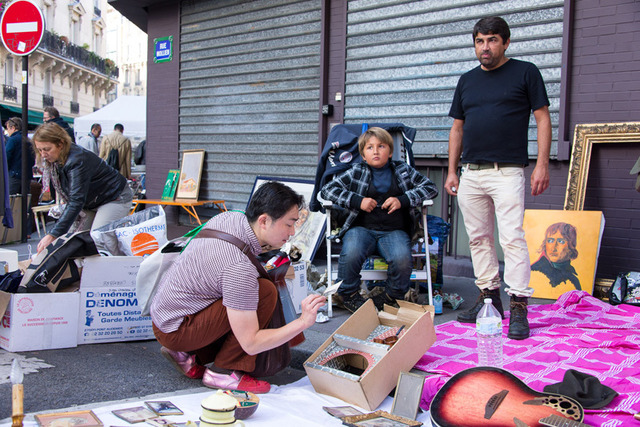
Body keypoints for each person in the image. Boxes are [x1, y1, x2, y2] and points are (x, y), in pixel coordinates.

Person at [150, 181, 326, 393]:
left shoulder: (229, 217)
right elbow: (250, 342)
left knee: (255, 292)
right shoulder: (238, 269)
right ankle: (223, 372)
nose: (292, 232)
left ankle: (189, 355)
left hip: (166, 316)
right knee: (264, 293)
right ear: (263, 220)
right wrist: (303, 321)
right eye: (289, 224)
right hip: (177, 328)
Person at [444, 16, 552, 340]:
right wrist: (451, 170)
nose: (485, 47)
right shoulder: (466, 80)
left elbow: (543, 119)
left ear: (505, 42)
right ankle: (489, 299)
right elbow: (457, 128)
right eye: (479, 40)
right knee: (478, 238)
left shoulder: (526, 72)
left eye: (492, 40)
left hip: (507, 171)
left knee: (512, 238)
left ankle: (519, 304)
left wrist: (542, 164)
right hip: (471, 172)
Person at [320, 127, 438, 313]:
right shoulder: (356, 171)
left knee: (401, 258)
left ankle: (391, 296)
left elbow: (430, 187)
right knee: (351, 252)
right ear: (363, 155)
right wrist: (357, 201)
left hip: (394, 231)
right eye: (369, 148)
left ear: (390, 152)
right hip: (361, 229)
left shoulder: (403, 170)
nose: (375, 151)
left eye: (381, 146)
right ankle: (348, 294)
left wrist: (403, 200)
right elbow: (327, 190)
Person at [32, 122, 133, 254]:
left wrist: (53, 235)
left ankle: (122, 269)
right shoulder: (59, 159)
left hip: (115, 197)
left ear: (60, 144)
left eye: (46, 149)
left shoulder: (77, 160)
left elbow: (76, 200)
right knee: (75, 240)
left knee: (99, 241)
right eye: (39, 150)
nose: (43, 154)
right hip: (91, 200)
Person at [531, 222, 581, 292]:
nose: (553, 248)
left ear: (571, 246)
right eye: (550, 241)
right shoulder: (535, 272)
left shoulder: (573, 280)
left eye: (561, 241)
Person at [5, 118, 34, 194]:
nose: (7, 131)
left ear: (13, 128)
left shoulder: (12, 140)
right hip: (27, 175)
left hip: (14, 175)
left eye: (8, 128)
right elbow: (33, 158)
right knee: (25, 200)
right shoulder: (28, 140)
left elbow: (6, 156)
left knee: (11, 200)